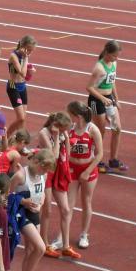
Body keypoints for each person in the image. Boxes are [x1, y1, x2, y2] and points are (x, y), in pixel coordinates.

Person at [9, 150, 55, 271]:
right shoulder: (20, 176)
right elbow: (7, 195)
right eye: (44, 169)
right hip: (22, 214)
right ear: (36, 162)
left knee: (30, 250)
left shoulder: (43, 175)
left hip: (34, 213)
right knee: (41, 248)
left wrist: (41, 202)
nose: (45, 173)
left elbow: (42, 192)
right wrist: (24, 202)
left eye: (47, 170)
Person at [58, 101, 103, 251]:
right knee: (68, 204)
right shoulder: (69, 128)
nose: (68, 117)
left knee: (86, 202)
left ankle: (84, 234)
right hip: (72, 168)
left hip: (88, 169)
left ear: (77, 116)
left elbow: (100, 154)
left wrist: (87, 171)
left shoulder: (93, 130)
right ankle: (61, 236)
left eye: (69, 114)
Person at [37, 112, 79, 260]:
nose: (65, 131)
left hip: (58, 172)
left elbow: (68, 154)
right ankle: (45, 244)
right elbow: (53, 157)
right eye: (64, 129)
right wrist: (56, 137)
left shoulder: (62, 134)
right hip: (46, 172)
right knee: (47, 210)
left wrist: (66, 138)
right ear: (57, 126)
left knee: (66, 210)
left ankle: (66, 246)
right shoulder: (44, 133)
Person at [86, 40, 127, 174]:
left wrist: (116, 99)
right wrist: (103, 99)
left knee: (117, 128)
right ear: (107, 53)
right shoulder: (99, 68)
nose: (116, 58)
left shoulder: (113, 63)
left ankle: (113, 159)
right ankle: (96, 160)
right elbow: (89, 87)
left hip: (109, 99)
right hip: (96, 100)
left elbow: (112, 81)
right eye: (114, 55)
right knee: (100, 131)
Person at [6, 35, 37, 136]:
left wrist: (30, 73)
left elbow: (25, 77)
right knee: (21, 118)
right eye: (29, 50)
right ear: (23, 46)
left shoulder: (24, 56)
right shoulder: (14, 56)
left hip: (22, 86)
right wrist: (25, 58)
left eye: (31, 51)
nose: (30, 53)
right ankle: (5, 137)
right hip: (13, 85)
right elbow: (22, 73)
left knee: (23, 118)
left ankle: (20, 139)